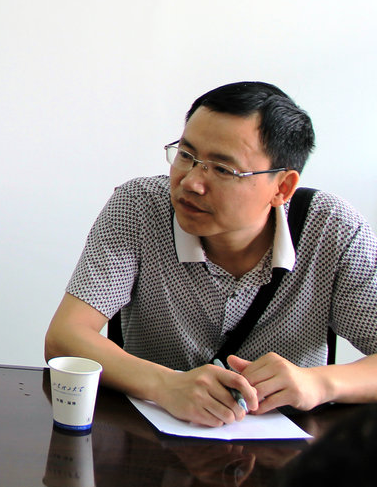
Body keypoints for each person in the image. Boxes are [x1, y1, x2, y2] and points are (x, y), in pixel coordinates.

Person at [45, 81, 377, 427]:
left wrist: (319, 384)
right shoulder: (140, 207)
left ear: (282, 187)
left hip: (285, 449)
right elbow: (65, 337)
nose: (191, 182)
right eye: (186, 156)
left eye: (222, 170)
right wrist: (166, 385)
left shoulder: (332, 229)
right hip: (147, 441)